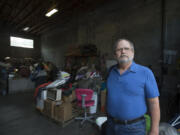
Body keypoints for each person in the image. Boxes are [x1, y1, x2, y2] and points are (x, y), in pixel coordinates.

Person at [106, 39, 160, 135]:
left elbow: (154, 104)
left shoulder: (145, 72)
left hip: (134, 128)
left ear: (133, 52)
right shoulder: (111, 71)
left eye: (126, 48)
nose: (123, 51)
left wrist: (154, 130)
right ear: (115, 55)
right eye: (119, 49)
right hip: (110, 125)